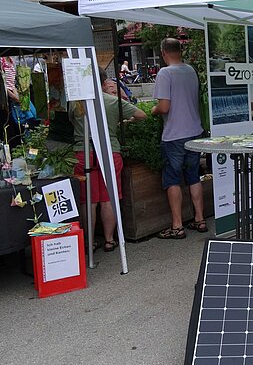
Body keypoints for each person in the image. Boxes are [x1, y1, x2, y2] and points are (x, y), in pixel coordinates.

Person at [71, 68, 146, 252]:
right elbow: (141, 115)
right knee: (108, 198)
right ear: (104, 83)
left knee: (88, 199)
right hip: (109, 151)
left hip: (83, 152)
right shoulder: (113, 102)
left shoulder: (76, 103)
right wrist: (125, 122)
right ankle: (109, 239)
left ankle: (89, 241)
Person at [152, 38, 206, 238]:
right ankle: (199, 219)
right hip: (194, 132)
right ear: (180, 51)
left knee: (172, 178)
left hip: (174, 135)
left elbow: (164, 107)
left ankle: (177, 226)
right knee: (193, 175)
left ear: (163, 52)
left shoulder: (165, 73)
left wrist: (154, 110)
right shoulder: (190, 71)